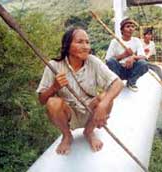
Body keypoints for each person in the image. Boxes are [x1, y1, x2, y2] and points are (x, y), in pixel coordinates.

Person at [36, 27, 124, 155]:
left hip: (91, 111)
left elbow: (118, 83)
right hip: (69, 114)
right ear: (67, 45)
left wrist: (103, 105)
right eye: (80, 42)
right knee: (53, 102)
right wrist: (54, 87)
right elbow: (42, 100)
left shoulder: (93, 61)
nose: (85, 46)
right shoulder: (54, 66)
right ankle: (67, 135)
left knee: (106, 97)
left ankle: (89, 132)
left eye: (87, 42)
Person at [105, 18, 148, 92]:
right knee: (111, 61)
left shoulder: (136, 41)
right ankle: (116, 83)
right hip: (119, 70)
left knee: (143, 63)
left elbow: (143, 56)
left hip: (132, 70)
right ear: (122, 30)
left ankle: (131, 82)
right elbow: (108, 60)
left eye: (132, 26)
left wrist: (133, 57)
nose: (131, 29)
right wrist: (123, 55)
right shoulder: (115, 41)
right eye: (128, 26)